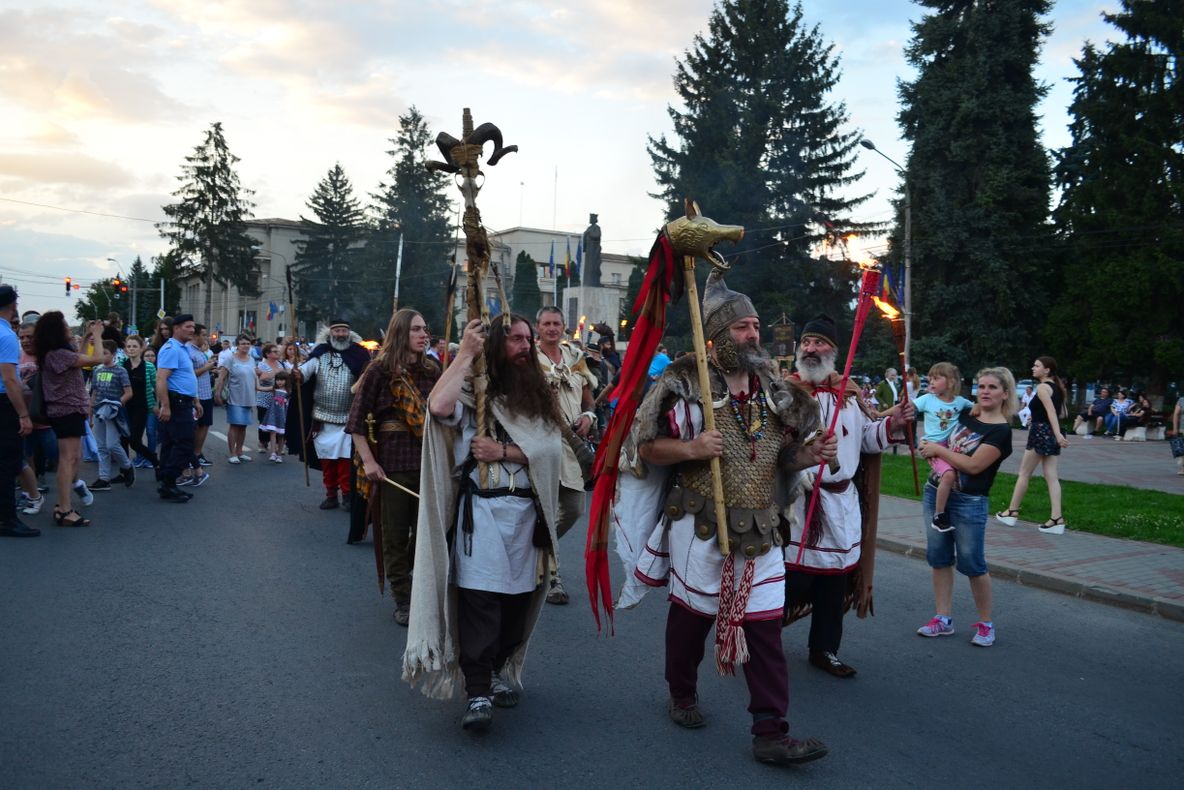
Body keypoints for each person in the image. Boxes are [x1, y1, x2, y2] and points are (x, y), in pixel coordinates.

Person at [615, 273, 833, 766]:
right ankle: (683, 691)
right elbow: (644, 445)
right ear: (714, 336)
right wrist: (691, 447)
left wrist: (808, 455)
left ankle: (770, 732)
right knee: (692, 620)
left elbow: (782, 459)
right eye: (742, 328)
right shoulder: (682, 383)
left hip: (762, 525)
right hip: (701, 524)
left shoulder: (776, 392)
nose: (753, 335)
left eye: (755, 326)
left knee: (765, 628)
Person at [402, 315, 564, 733]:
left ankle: (494, 669)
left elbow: (550, 451)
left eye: (528, 339)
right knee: (480, 603)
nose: (525, 345)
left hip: (527, 515)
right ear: (495, 344)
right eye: (515, 339)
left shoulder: (537, 394)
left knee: (515, 607)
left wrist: (504, 451)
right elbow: (437, 407)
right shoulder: (474, 391)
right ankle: (477, 690)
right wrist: (466, 354)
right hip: (483, 515)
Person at [785, 315, 913, 679]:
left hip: (841, 504)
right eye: (806, 342)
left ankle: (824, 649)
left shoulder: (851, 393)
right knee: (794, 580)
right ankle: (757, 638)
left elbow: (866, 441)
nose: (810, 348)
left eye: (819, 342)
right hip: (798, 502)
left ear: (835, 351)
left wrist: (894, 424)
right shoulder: (784, 393)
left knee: (834, 582)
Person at [347, 309, 440, 624]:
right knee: (395, 536)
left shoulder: (432, 370)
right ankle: (403, 598)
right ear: (401, 332)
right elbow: (356, 423)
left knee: (427, 536)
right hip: (393, 467)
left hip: (429, 464)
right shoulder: (379, 372)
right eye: (416, 329)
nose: (423, 335)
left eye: (425, 329)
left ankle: (414, 582)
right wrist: (370, 462)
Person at [917, 367, 1016, 647]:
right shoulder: (965, 414)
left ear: (1005, 394)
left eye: (992, 387)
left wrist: (938, 450)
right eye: (981, 386)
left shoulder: (1001, 432)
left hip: (969, 502)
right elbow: (939, 423)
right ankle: (942, 619)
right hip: (935, 491)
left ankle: (986, 624)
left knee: (972, 563)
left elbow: (973, 466)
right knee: (938, 557)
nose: (985, 391)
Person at [534, 306, 597, 605]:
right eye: (546, 323)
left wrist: (588, 415)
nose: (551, 328)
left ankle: (538, 550)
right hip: (539, 445)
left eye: (556, 323)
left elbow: (589, 398)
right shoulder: (528, 360)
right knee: (544, 511)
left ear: (563, 326)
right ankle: (552, 576)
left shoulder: (575, 357)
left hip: (572, 445)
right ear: (538, 327)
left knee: (573, 508)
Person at [34, 312, 105, 525]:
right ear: (57, 330)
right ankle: (64, 509)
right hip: (66, 410)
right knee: (67, 459)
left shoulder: (58, 353)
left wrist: (85, 338)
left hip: (68, 410)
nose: (68, 328)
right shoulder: (57, 354)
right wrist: (99, 336)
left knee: (75, 456)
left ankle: (63, 504)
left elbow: (79, 358)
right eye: (65, 325)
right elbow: (97, 359)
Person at [293, 320, 370, 510]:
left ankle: (347, 494)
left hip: (347, 418)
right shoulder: (319, 355)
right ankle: (330, 494)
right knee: (327, 460)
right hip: (322, 418)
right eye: (337, 330)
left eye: (344, 330)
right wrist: (297, 374)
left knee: (345, 460)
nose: (341, 334)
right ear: (330, 333)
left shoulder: (359, 355)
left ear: (349, 333)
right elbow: (304, 373)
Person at [997, 356, 1069, 534]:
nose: (1033, 368)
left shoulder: (1043, 387)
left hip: (1041, 432)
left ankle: (1011, 512)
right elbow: (1062, 413)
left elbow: (1052, 412)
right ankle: (1057, 519)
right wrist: (1042, 421)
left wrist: (1056, 433)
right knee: (1051, 476)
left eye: (1037, 366)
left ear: (1047, 370)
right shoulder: (1058, 387)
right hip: (1049, 431)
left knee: (1024, 473)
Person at [912, 362, 973, 532]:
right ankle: (939, 515)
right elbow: (905, 408)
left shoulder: (960, 402)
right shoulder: (927, 399)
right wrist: (880, 414)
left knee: (953, 475)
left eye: (936, 378)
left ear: (951, 381)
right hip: (930, 446)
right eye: (929, 378)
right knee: (948, 475)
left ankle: (946, 503)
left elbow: (978, 410)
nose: (930, 381)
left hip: (949, 448)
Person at [0, 285, 39, 537]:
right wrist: (23, 414)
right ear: (14, 306)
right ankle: (7, 519)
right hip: (3, 404)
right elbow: (10, 379)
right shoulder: (6, 336)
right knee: (7, 462)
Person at [155, 314, 201, 503]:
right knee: (184, 443)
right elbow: (161, 379)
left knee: (171, 443)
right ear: (176, 328)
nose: (192, 330)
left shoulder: (182, 349)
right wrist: (165, 406)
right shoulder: (171, 349)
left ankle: (167, 484)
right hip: (176, 403)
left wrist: (196, 401)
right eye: (188, 327)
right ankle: (169, 480)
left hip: (184, 402)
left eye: (193, 327)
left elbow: (186, 376)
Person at [88, 340, 135, 492]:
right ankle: (104, 478)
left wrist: (116, 404)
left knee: (112, 444)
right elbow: (94, 393)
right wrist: (90, 414)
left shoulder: (120, 371)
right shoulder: (97, 370)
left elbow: (129, 393)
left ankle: (127, 467)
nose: (102, 356)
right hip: (98, 412)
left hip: (113, 413)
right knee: (101, 446)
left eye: (105, 353)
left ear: (113, 354)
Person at [215, 336, 258, 464]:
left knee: (243, 426)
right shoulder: (230, 358)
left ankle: (239, 451)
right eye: (243, 343)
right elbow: (222, 377)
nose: (245, 345)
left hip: (248, 397)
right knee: (234, 425)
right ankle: (232, 453)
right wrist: (217, 393)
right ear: (237, 345)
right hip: (235, 396)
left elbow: (253, 378)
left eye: (248, 343)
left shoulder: (251, 360)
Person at [121, 335, 160, 471]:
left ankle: (155, 461)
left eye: (134, 346)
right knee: (123, 440)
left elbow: (156, 386)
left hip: (142, 408)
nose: (131, 349)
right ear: (125, 349)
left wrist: (157, 404)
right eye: (129, 346)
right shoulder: (121, 365)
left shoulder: (149, 367)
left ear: (141, 348)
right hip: (124, 407)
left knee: (135, 442)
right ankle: (125, 471)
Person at [185, 324, 217, 475]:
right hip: (195, 395)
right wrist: (207, 367)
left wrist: (209, 364)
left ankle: (197, 454)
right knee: (195, 427)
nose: (206, 337)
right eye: (203, 334)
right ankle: (191, 458)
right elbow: (190, 374)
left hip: (205, 393)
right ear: (194, 335)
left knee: (205, 424)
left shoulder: (199, 351)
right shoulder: (188, 351)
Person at [261, 370, 291, 462]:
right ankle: (273, 453)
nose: (280, 382)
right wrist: (256, 378)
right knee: (273, 433)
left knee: (281, 435)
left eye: (282, 380)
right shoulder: (273, 389)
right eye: (278, 380)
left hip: (283, 415)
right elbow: (259, 388)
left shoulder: (289, 391)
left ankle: (279, 454)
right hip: (273, 414)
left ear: (287, 380)